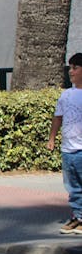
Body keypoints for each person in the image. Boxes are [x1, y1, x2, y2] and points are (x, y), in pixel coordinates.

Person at [47, 53, 82, 234]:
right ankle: (77, 217)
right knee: (73, 186)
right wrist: (52, 138)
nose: (71, 71)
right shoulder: (66, 95)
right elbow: (57, 118)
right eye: (70, 67)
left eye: (75, 68)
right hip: (68, 150)